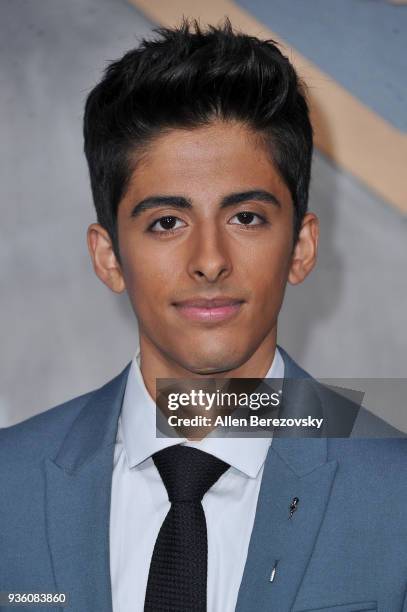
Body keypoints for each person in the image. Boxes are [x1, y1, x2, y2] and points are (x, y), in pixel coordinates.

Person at [0, 19, 406, 612]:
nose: (210, 260)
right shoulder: (9, 486)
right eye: (167, 222)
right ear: (109, 256)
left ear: (301, 247)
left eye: (246, 217)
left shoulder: (396, 494)